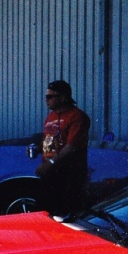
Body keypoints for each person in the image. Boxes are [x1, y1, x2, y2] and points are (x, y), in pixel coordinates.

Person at [35, 80, 91, 216]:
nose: (46, 100)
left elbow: (72, 146)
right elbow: (51, 139)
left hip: (69, 175)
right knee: (45, 212)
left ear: (63, 97)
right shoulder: (51, 116)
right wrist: (38, 148)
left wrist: (51, 163)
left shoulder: (77, 117)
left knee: (65, 213)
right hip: (50, 174)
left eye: (50, 97)